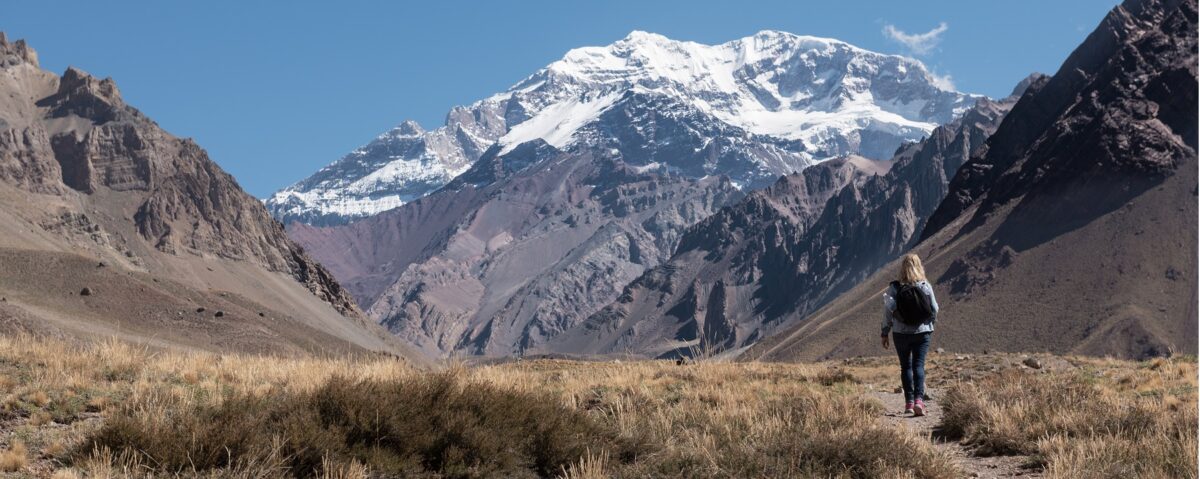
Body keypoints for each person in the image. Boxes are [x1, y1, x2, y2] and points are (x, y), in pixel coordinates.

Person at [880, 253, 939, 416]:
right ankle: (920, 401)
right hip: (922, 332)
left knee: (906, 366)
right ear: (919, 266)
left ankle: (909, 403)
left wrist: (885, 332)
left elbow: (888, 311)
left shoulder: (895, 288)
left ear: (902, 268)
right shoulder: (925, 285)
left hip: (900, 333)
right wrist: (929, 325)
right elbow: (935, 308)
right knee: (918, 366)